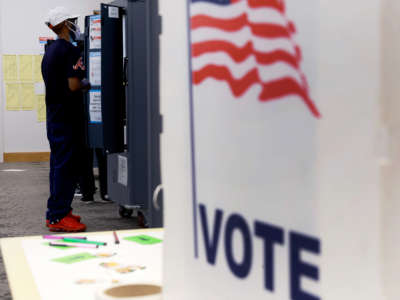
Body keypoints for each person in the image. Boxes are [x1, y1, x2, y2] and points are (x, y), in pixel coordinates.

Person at [42, 7, 91, 232]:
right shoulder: (70, 51)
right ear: (63, 24)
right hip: (68, 119)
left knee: (58, 165)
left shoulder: (50, 51)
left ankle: (58, 210)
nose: (75, 24)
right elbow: (73, 85)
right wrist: (85, 84)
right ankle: (57, 217)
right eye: (72, 21)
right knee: (67, 167)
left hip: (55, 117)